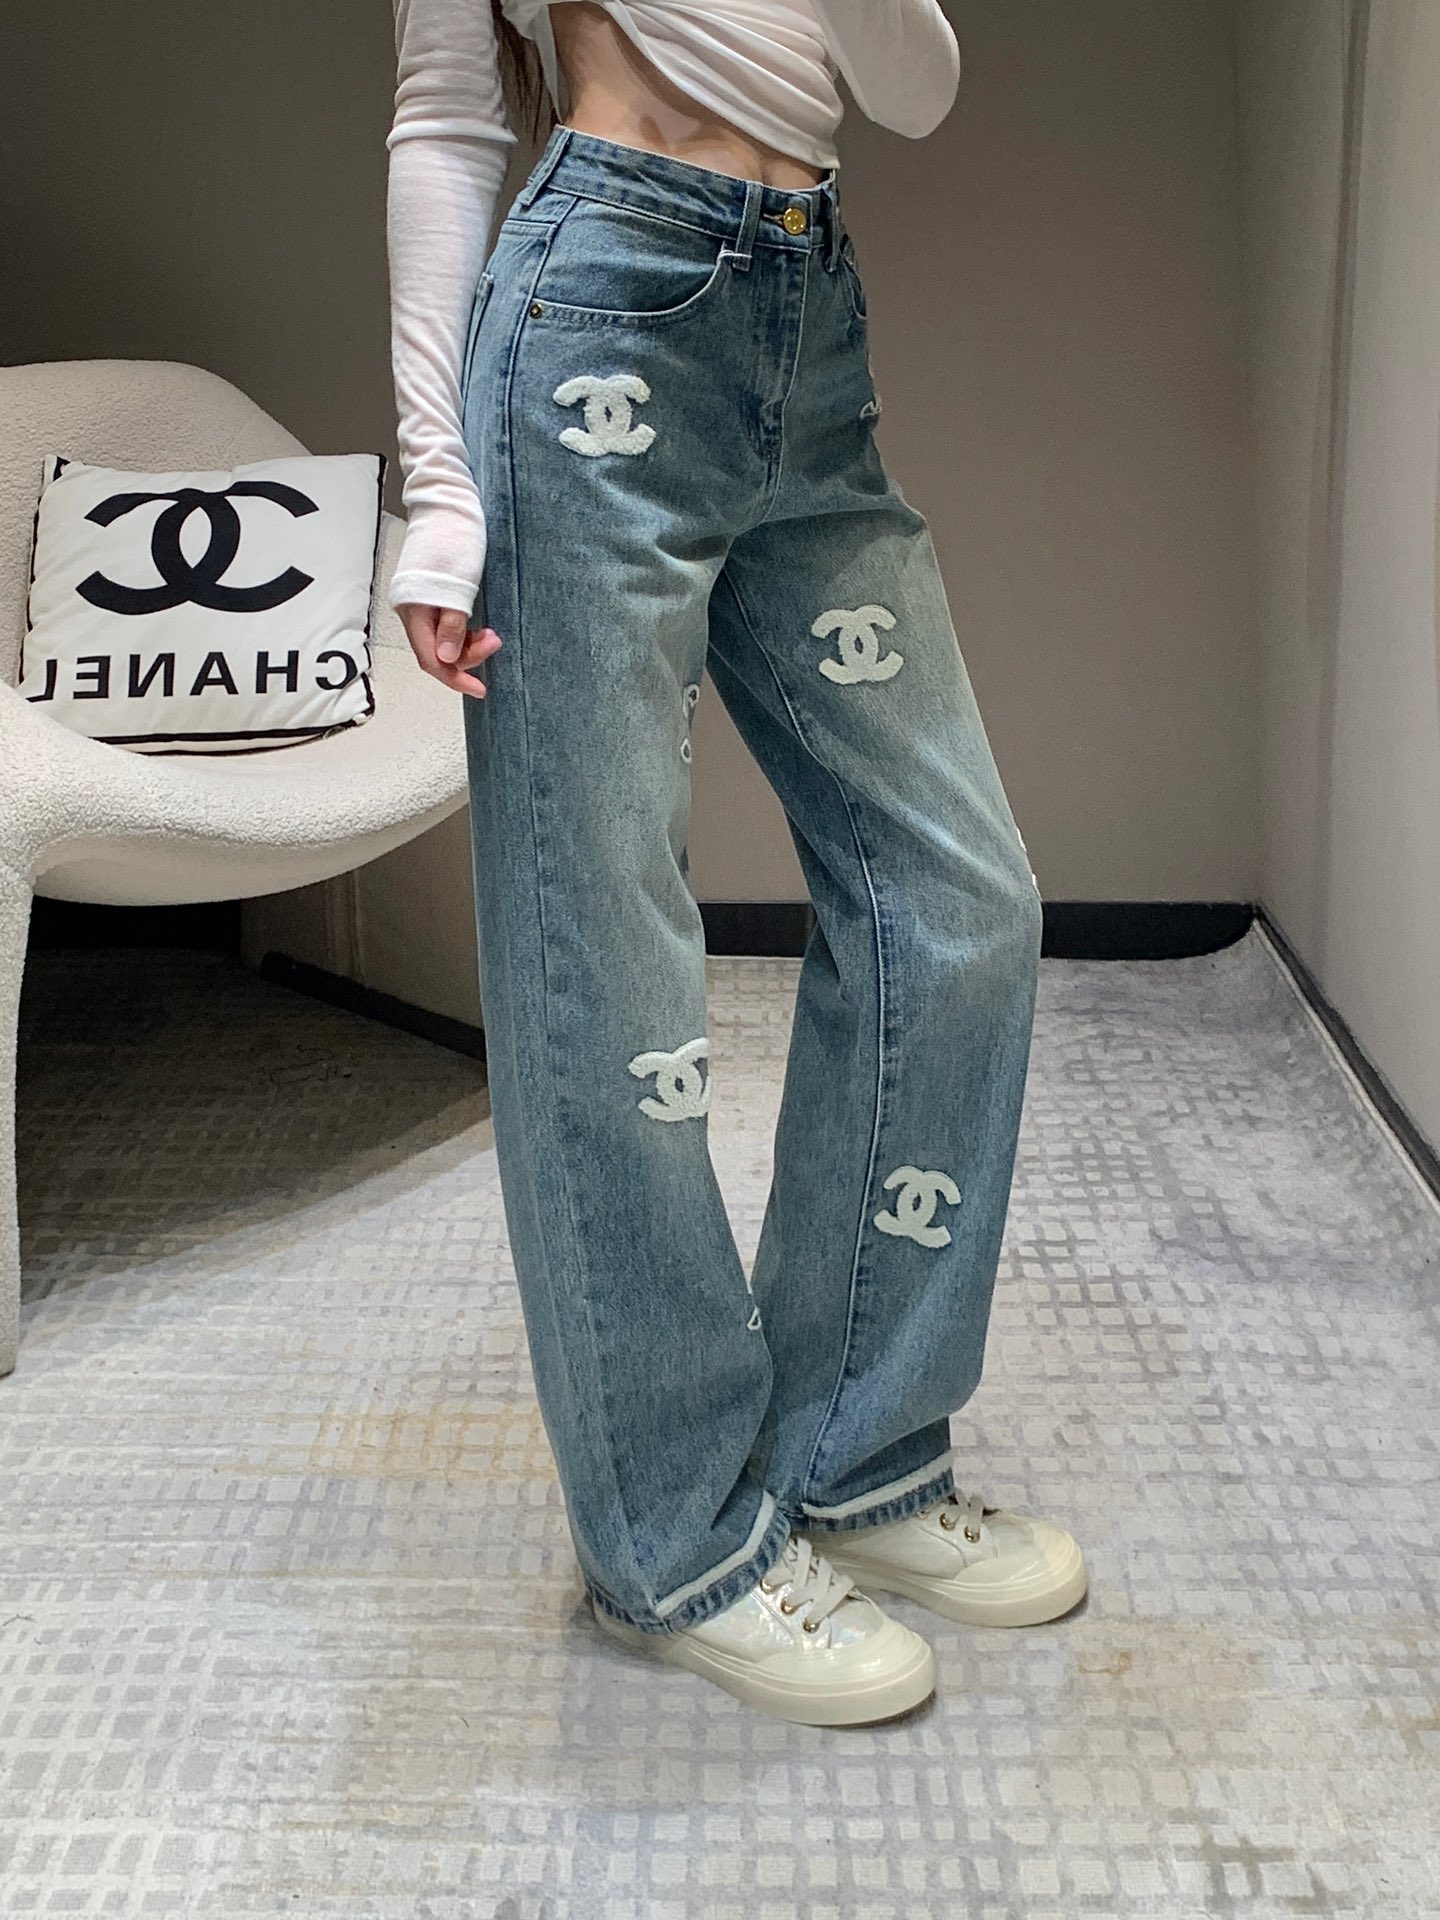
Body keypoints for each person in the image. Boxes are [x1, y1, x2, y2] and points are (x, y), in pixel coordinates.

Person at [385, 0, 1087, 1728]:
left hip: (803, 311)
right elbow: (447, 120)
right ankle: (675, 1533)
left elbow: (911, 88)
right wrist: (439, 486)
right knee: (604, 959)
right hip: (596, 315)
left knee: (959, 904)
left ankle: (855, 1446)